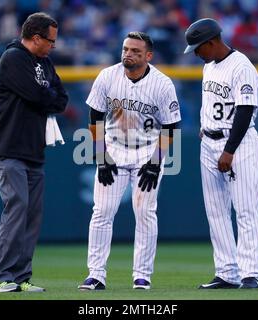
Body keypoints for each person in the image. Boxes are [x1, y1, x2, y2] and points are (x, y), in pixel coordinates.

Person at [78, 31, 181, 290]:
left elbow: (171, 125)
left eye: (135, 51)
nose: (128, 54)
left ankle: (142, 276)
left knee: (145, 213)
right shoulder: (107, 76)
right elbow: (94, 117)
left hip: (147, 151)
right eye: (126, 49)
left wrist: (156, 162)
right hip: (113, 149)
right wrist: (101, 156)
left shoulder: (162, 83)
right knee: (101, 212)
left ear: (148, 56)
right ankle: (96, 275)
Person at [0, 12, 68, 293]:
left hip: (33, 149)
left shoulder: (44, 62)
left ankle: (20, 277)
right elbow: (39, 96)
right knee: (16, 208)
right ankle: (2, 277)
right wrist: (47, 96)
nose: (53, 46)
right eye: (50, 41)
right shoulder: (14, 58)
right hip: (7, 147)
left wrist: (48, 96)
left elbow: (61, 99)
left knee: (31, 214)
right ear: (36, 37)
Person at [184, 18, 258, 289]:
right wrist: (207, 127)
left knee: (245, 208)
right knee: (216, 212)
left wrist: (228, 150)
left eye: (198, 47)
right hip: (209, 143)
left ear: (212, 42)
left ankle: (249, 272)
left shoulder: (242, 66)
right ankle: (227, 272)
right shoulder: (209, 66)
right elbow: (215, 104)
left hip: (238, 143)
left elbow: (244, 110)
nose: (195, 53)